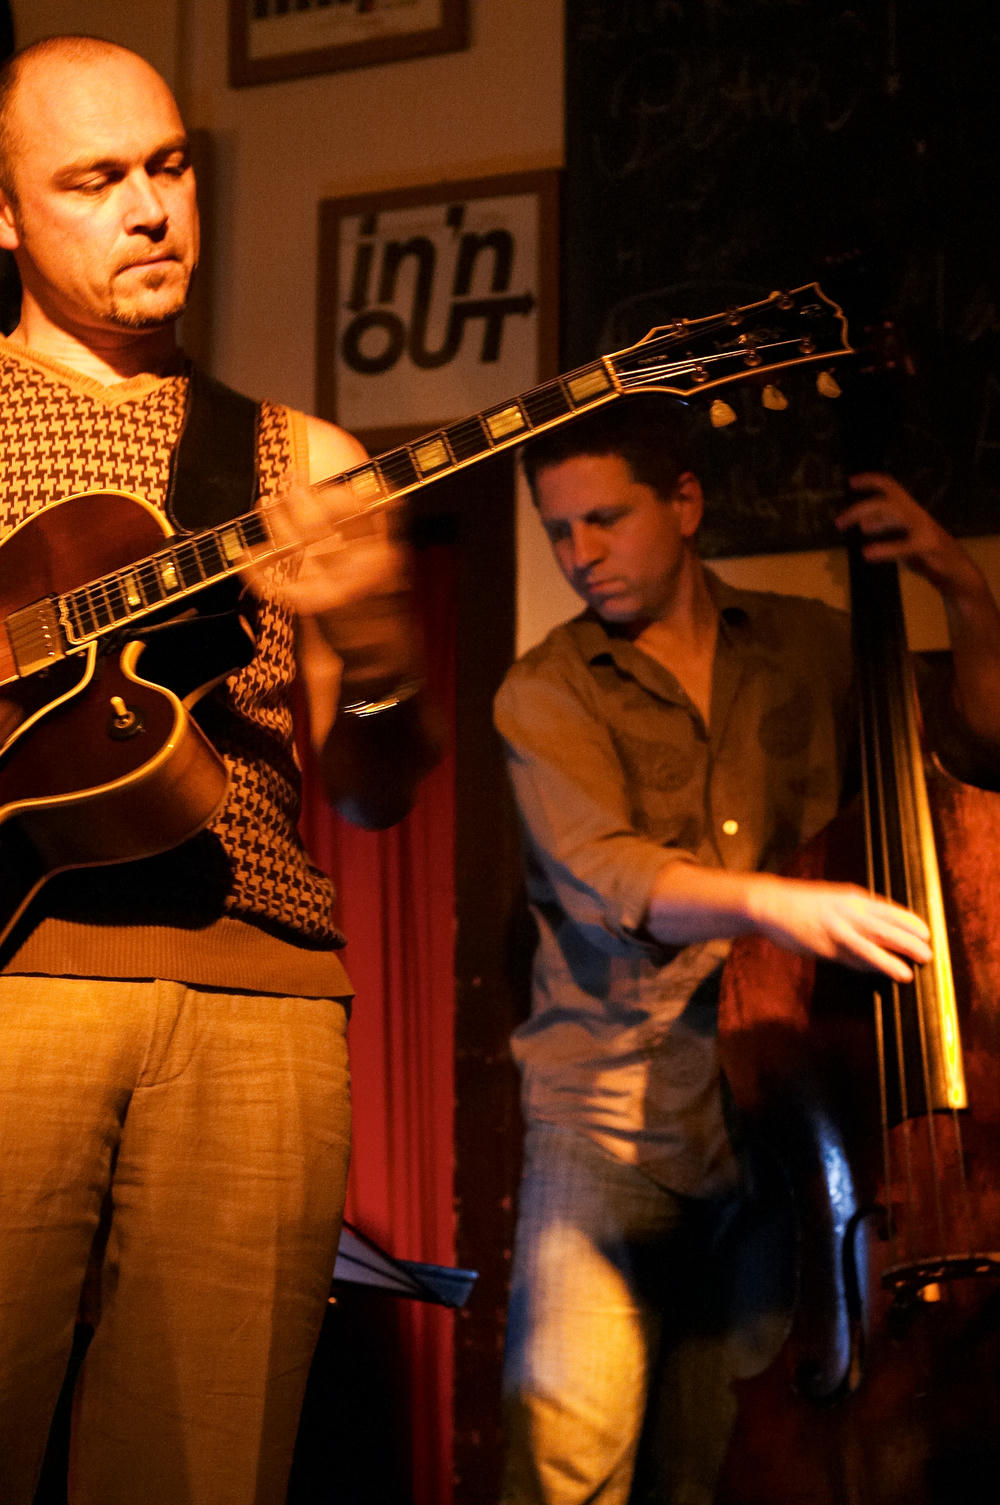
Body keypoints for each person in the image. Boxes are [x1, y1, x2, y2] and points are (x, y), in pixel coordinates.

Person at [0, 35, 437, 1505]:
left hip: (258, 1001)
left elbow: (371, 788)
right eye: (95, 179)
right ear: (4, 212)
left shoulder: (298, 458)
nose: (150, 209)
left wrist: (378, 643)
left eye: (171, 166)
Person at [493, 393, 1000, 1505]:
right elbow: (610, 875)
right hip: (610, 1121)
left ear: (684, 503)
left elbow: (978, 748)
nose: (579, 555)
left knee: (722, 1468)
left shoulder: (811, 645)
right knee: (567, 1470)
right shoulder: (544, 688)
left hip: (786, 1131)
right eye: (558, 530)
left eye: (605, 519)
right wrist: (774, 903)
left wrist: (963, 588)